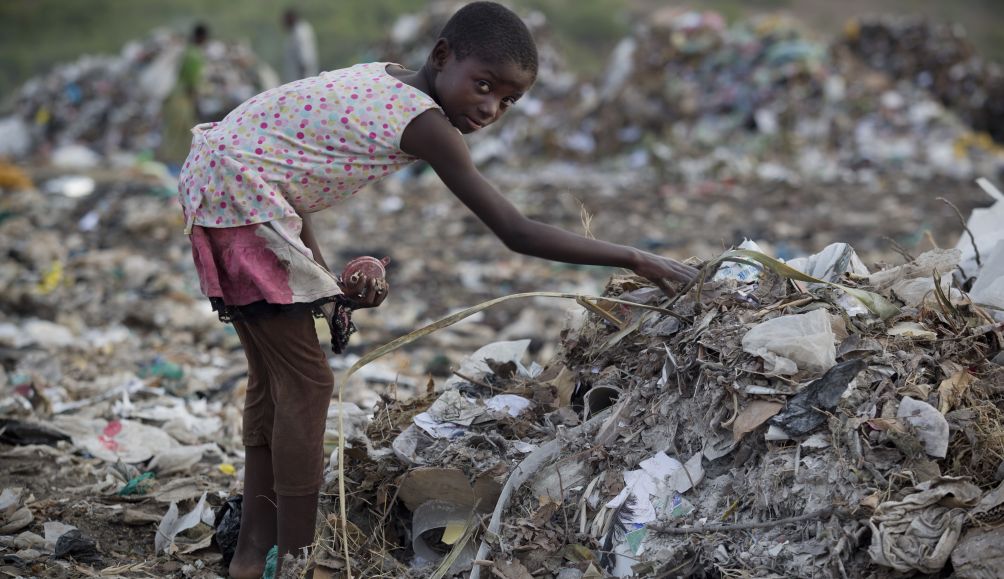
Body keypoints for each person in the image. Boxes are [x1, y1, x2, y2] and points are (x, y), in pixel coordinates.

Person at [177, 2, 697, 577]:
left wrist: (320, 280)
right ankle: (298, 560)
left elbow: (286, 173)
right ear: (442, 56)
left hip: (221, 181)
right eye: (483, 85)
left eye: (508, 100)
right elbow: (515, 231)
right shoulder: (426, 124)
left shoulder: (384, 76)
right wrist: (634, 257)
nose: (490, 107)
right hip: (240, 197)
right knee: (306, 384)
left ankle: (254, 555)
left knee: (275, 384)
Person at [158, 23, 209, 165]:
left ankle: (172, 160)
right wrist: (198, 106)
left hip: (172, 97)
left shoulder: (186, 51)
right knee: (181, 131)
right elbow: (192, 85)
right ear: (203, 38)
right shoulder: (194, 55)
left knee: (172, 131)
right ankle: (177, 163)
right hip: (180, 99)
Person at [282, 8, 319, 83]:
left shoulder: (301, 31)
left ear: (291, 18)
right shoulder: (294, 32)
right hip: (298, 76)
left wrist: (302, 80)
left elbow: (305, 56)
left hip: (303, 77)